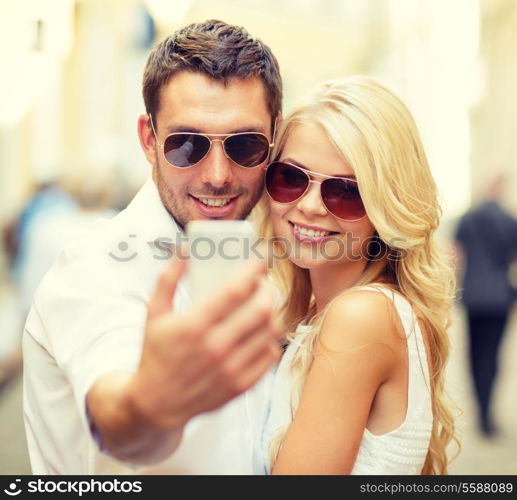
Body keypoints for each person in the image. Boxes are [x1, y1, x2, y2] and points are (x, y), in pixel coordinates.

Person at [23, 20, 283, 474]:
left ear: (273, 138)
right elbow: (119, 417)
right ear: (149, 139)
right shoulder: (94, 268)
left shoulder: (280, 260)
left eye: (244, 145)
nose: (218, 175)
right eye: (186, 145)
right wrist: (152, 406)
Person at [259, 76, 457, 474]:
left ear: (388, 205)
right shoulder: (325, 311)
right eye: (291, 178)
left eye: (346, 191)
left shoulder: (360, 316)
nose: (311, 206)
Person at [454, 174, 517, 437]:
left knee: (475, 354)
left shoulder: (468, 217)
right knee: (493, 355)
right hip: (500, 297)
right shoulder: (510, 220)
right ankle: (488, 415)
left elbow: (455, 255)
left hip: (474, 297)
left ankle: (481, 411)